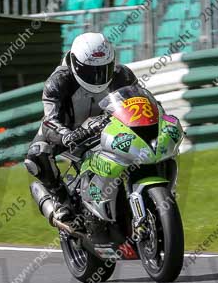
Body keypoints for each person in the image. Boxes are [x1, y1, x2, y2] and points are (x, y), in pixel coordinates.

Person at [24, 32, 137, 228]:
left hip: (109, 126)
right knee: (36, 155)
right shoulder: (58, 81)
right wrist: (68, 135)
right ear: (76, 65)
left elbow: (141, 100)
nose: (98, 77)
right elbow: (50, 120)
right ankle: (61, 200)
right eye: (91, 71)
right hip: (70, 131)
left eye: (103, 70)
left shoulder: (122, 74)